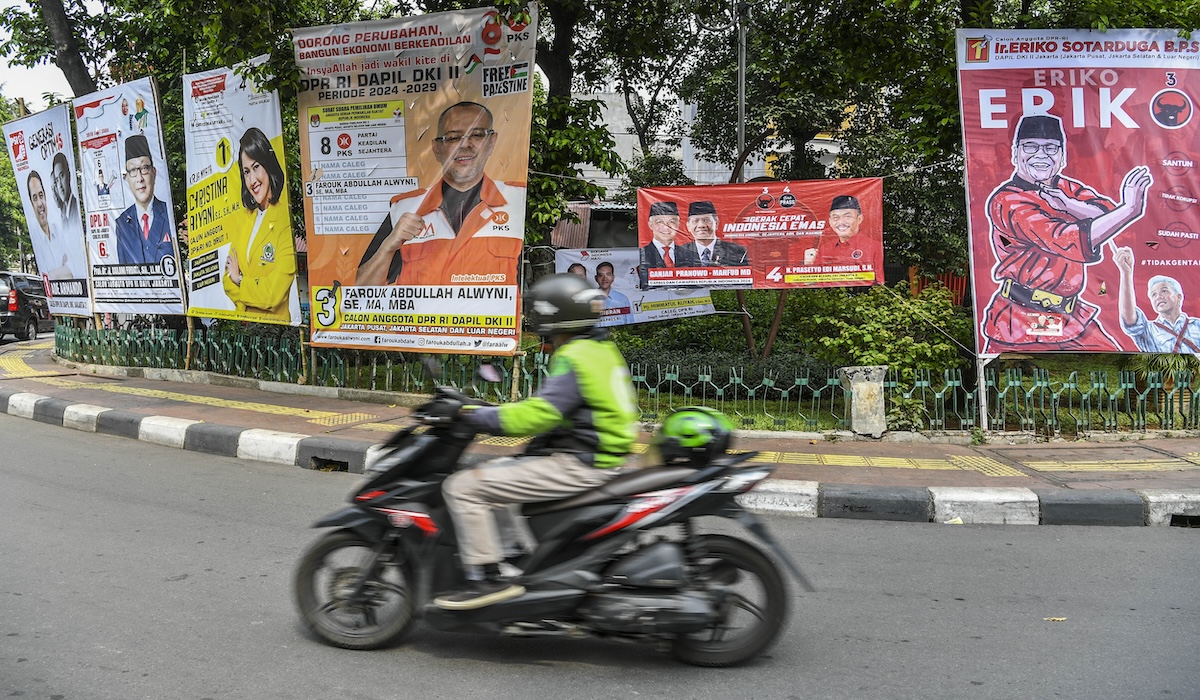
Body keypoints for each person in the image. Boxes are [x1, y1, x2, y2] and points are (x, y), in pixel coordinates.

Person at [435, 273, 639, 610]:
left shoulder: (575, 355)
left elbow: (541, 414)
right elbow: (563, 408)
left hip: (580, 462)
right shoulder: (600, 348)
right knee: (498, 470)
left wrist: (475, 416)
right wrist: (490, 411)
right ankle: (510, 559)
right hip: (599, 455)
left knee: (463, 486)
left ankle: (488, 578)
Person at [980, 114, 1152, 352]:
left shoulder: (1065, 188)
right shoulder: (1008, 200)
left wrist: (1070, 205)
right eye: (1030, 146)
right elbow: (1067, 239)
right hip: (1023, 317)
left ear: (1061, 156)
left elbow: (1105, 214)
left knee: (1117, 366)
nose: (1041, 155)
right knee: (1014, 374)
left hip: (1069, 316)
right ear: (1015, 153)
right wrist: (1129, 209)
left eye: (1051, 148)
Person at [356, 101, 524, 286]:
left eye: (477, 135)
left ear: (492, 142)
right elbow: (361, 289)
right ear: (437, 149)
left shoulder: (517, 200)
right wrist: (388, 246)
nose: (465, 144)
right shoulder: (404, 208)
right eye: (453, 138)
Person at [221, 127, 296, 322]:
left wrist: (239, 279)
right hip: (243, 327)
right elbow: (226, 281)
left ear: (268, 165)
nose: (252, 180)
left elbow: (273, 294)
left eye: (256, 167)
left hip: (274, 331)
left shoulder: (285, 221)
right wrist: (249, 289)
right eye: (246, 172)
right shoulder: (244, 218)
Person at [1114, 246, 1200, 353]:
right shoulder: (1149, 330)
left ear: (1179, 297)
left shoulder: (1197, 325)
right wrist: (1126, 273)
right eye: (1153, 295)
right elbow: (1129, 318)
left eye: (1164, 291)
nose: (1158, 297)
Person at [114, 134, 175, 265]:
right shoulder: (122, 224)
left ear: (154, 172)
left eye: (144, 168)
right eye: (133, 171)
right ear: (126, 178)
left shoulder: (170, 213)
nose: (140, 178)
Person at [25, 170, 78, 280]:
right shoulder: (35, 239)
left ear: (45, 197)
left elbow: (73, 268)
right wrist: (62, 270)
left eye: (41, 195)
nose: (40, 203)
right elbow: (45, 277)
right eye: (35, 198)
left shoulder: (57, 230)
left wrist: (53, 273)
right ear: (31, 203)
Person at [804, 195, 880, 266]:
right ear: (830, 221)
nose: (841, 222)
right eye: (836, 217)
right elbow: (816, 275)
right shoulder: (824, 249)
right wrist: (809, 265)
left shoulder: (874, 247)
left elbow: (879, 275)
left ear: (859, 219)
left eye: (847, 216)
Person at [638, 201, 698, 287]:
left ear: (678, 224)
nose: (666, 227)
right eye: (659, 222)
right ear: (650, 225)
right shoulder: (641, 254)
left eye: (671, 221)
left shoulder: (691, 255)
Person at [680, 200, 748, 266]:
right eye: (695, 221)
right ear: (688, 226)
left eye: (706, 220)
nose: (701, 225)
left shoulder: (737, 251)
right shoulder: (680, 253)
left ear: (716, 223)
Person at [594, 261, 634, 326]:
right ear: (596, 278)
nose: (604, 278)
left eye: (608, 274)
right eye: (601, 275)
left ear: (613, 278)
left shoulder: (622, 300)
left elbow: (630, 324)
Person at [50, 152, 82, 234]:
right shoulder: (65, 214)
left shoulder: (76, 209)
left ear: (69, 175)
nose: (60, 185)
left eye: (61, 176)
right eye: (57, 180)